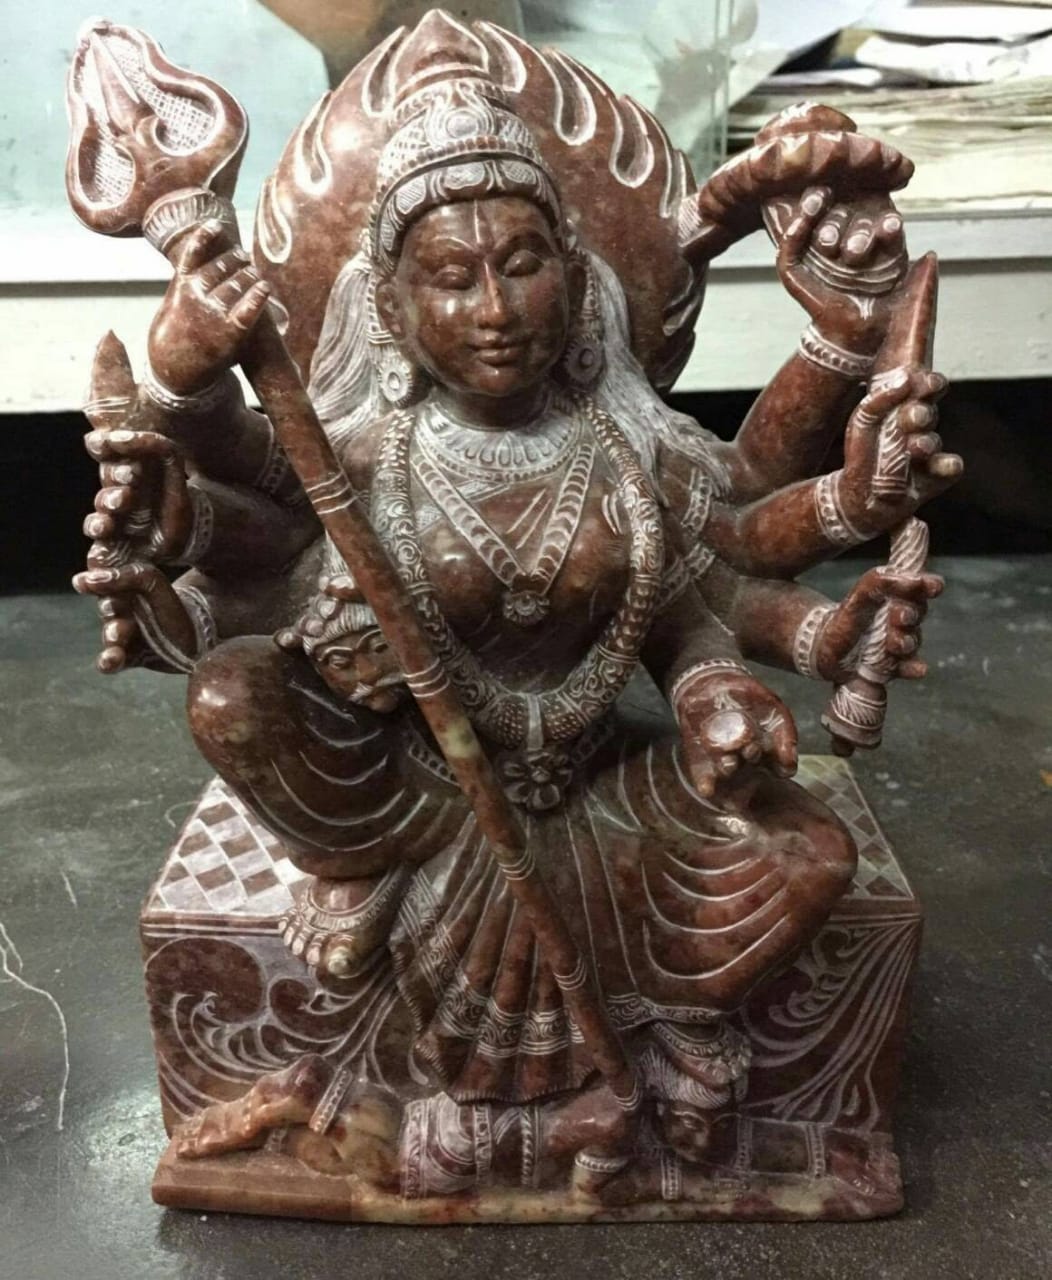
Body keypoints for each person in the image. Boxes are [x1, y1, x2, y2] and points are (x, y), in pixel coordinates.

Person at [74, 19, 947, 1196]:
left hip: (596, 787)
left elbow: (719, 555)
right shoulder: (362, 458)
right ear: (390, 307)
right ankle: (368, 878)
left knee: (809, 851)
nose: (494, 307)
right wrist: (185, 375)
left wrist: (721, 685)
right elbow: (247, 499)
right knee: (235, 694)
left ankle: (622, 1044)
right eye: (450, 276)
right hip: (411, 795)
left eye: (523, 262)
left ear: (577, 280)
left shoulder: (625, 450)